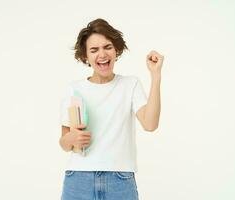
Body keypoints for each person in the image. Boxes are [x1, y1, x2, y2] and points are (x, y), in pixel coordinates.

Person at [59, 18, 164, 200]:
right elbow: (64, 143)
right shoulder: (74, 89)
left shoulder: (130, 85)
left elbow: (150, 124)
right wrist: (72, 138)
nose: (102, 54)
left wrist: (155, 76)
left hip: (120, 180)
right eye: (94, 50)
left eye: (107, 47)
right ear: (85, 56)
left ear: (116, 50)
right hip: (78, 179)